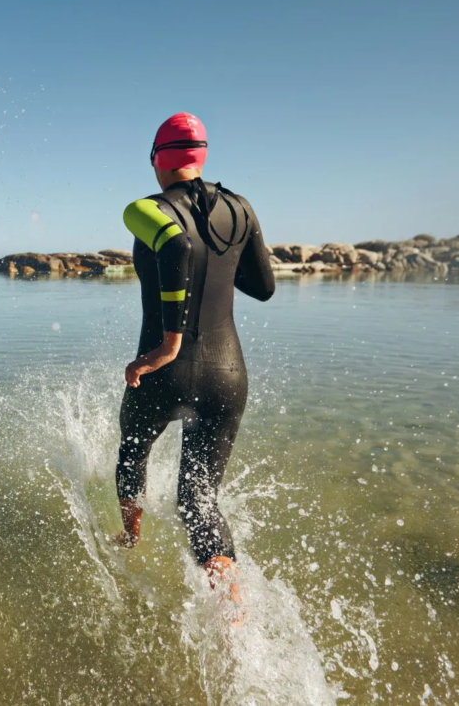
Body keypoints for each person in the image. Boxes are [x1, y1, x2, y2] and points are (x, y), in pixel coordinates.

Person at [113, 113, 275, 597]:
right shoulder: (240, 208)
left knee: (133, 450)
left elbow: (177, 246)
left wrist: (169, 344)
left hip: (163, 371)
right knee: (198, 499)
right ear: (200, 156)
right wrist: (221, 264)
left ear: (158, 160)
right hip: (227, 373)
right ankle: (232, 605)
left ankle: (129, 537)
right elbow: (264, 287)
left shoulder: (143, 209)